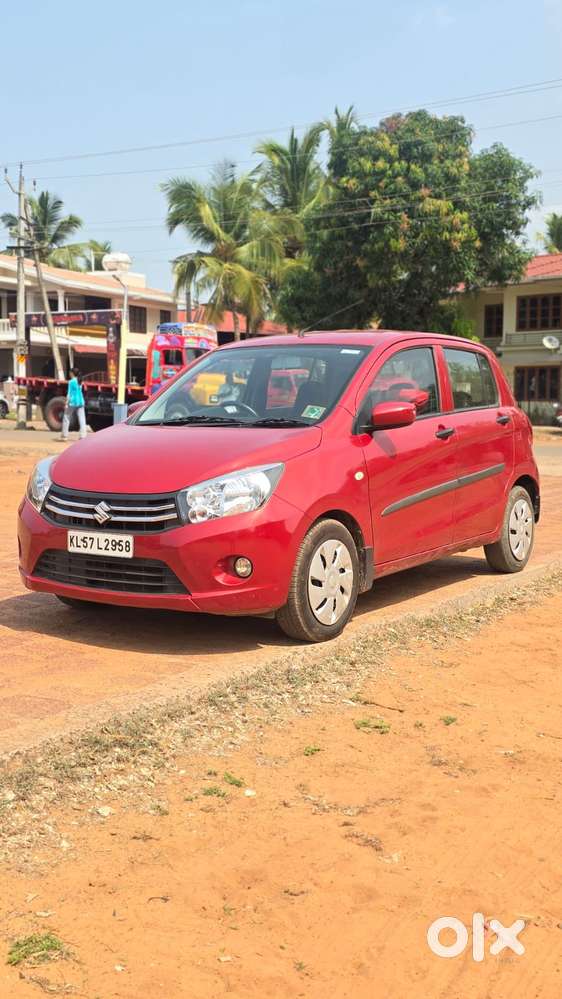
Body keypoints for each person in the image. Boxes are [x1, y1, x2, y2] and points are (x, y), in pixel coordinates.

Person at [60, 367, 87, 441]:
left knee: (66, 417)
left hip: (73, 402)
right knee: (82, 419)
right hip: (81, 402)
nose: (69, 374)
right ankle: (83, 436)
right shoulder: (80, 381)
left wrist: (66, 403)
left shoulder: (71, 382)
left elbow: (69, 393)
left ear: (72, 373)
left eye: (70, 372)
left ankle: (64, 436)